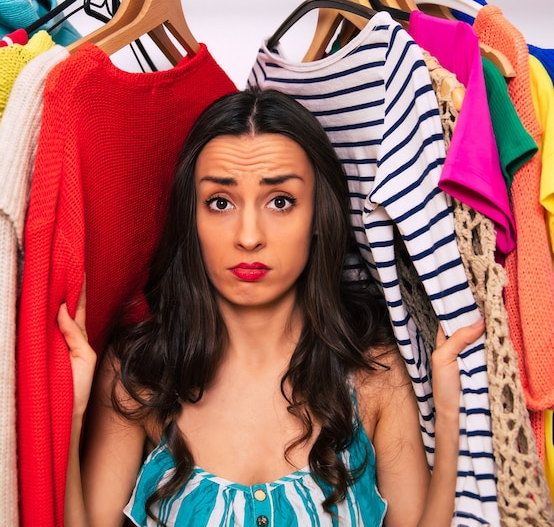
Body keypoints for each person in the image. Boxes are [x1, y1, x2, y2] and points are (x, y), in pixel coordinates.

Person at [59, 87, 485, 527]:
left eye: (280, 201)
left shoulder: (374, 372)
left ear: (319, 215)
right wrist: (72, 409)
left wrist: (451, 414)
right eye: (220, 202)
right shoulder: (141, 373)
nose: (248, 236)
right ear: (192, 217)